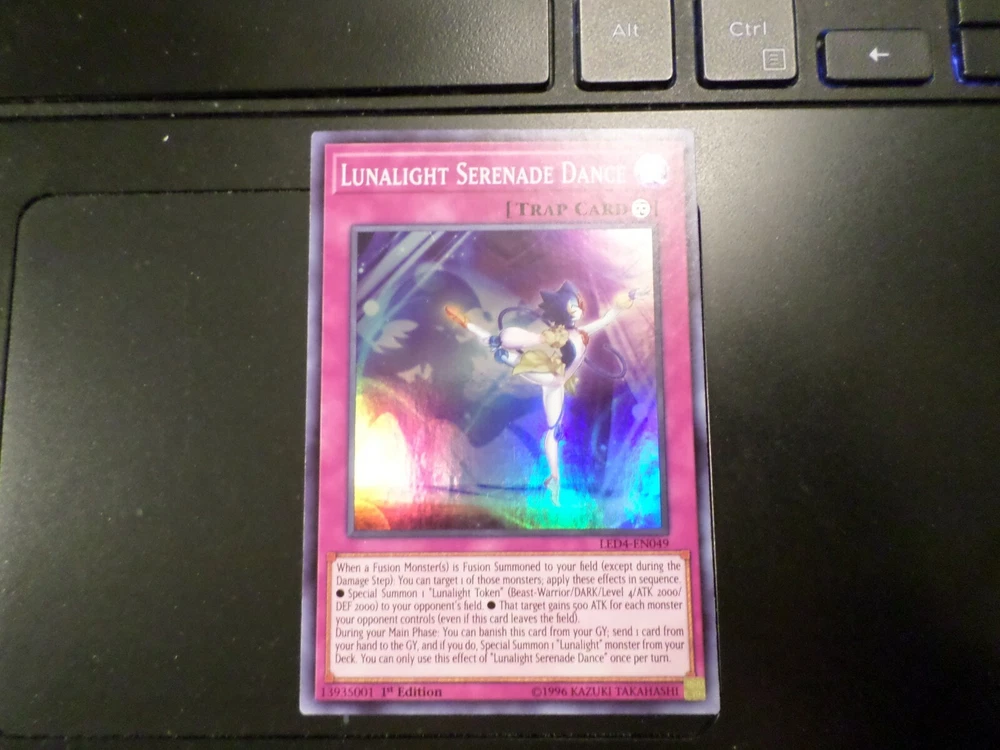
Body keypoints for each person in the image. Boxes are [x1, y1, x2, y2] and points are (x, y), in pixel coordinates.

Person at [445, 281, 642, 505]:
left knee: (553, 430)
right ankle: (507, 356)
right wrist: (500, 342)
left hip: (556, 384)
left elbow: (608, 317)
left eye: (577, 305)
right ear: (562, 311)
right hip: (547, 375)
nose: (578, 310)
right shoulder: (557, 335)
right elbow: (529, 338)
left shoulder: (580, 333)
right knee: (518, 357)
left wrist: (630, 296)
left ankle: (554, 479)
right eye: (572, 307)